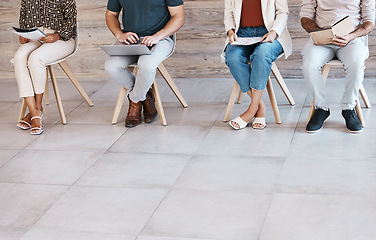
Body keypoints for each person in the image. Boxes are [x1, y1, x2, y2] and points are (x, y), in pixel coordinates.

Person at [104, 0, 185, 128]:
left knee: (146, 65)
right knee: (111, 66)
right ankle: (146, 95)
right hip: (131, 39)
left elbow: (179, 17)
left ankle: (135, 100)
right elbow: (110, 15)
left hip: (161, 39)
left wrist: (158, 36)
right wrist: (119, 34)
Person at [301, 0, 375, 133]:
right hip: (322, 39)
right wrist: (320, 33)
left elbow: (369, 22)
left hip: (352, 38)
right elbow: (305, 17)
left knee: (356, 63)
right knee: (309, 64)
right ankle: (321, 108)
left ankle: (349, 108)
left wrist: (350, 36)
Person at [224, 0, 292, 130]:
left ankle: (250, 111)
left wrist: (274, 32)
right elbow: (229, 15)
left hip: (271, 33)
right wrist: (230, 32)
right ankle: (259, 105)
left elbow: (283, 12)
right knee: (232, 57)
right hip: (241, 34)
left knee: (261, 54)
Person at [14, 0, 77, 135]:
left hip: (61, 39)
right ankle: (34, 110)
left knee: (36, 58)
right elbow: (23, 21)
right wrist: (23, 36)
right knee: (19, 57)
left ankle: (37, 108)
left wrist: (57, 35)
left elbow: (71, 22)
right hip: (34, 37)